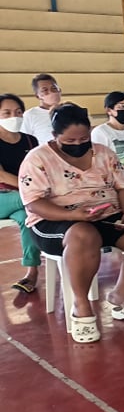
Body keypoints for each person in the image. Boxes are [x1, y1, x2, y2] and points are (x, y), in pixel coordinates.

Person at [20, 104, 124, 343]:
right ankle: (81, 306)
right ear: (55, 136)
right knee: (84, 234)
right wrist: (75, 216)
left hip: (104, 215)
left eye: (83, 138)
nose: (78, 144)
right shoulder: (38, 159)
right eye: (70, 140)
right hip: (52, 220)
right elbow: (34, 204)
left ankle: (120, 295)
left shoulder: (103, 152)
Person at [0, 94, 41, 292]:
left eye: (18, 112)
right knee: (34, 202)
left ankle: (31, 272)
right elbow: (1, 176)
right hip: (5, 197)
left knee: (29, 217)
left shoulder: (30, 140)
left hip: (23, 199)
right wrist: (32, 189)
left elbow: (38, 168)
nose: (13, 117)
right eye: (6, 113)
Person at [22, 73, 62, 144]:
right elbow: (25, 141)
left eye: (54, 88)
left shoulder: (71, 110)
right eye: (45, 90)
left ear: (60, 91)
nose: (51, 92)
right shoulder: (30, 115)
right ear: (37, 96)